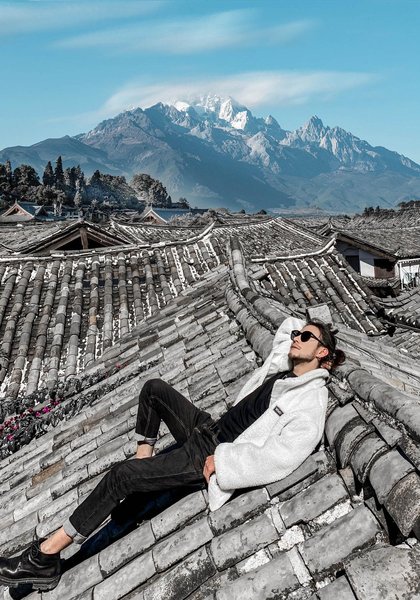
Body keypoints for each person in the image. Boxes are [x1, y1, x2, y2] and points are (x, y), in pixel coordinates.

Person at [0, 317, 344, 591]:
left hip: (209, 453)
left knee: (121, 476)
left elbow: (283, 454)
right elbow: (286, 327)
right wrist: (309, 330)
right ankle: (143, 472)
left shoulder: (311, 399)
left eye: (305, 337)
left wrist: (225, 464)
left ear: (322, 353)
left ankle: (44, 557)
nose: (296, 338)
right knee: (154, 390)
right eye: (297, 335)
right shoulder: (285, 370)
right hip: (207, 428)